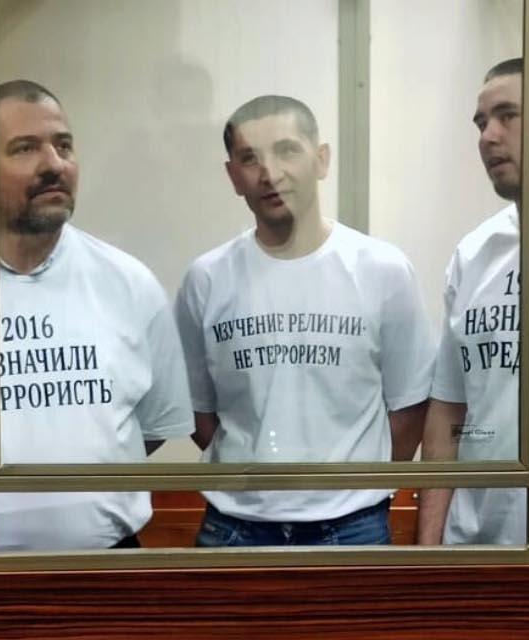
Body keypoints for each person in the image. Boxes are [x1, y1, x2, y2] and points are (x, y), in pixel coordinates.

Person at [176, 95, 433, 546]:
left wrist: (346, 492)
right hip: (235, 527)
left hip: (353, 528)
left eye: (287, 150)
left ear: (322, 159)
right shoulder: (207, 279)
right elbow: (198, 412)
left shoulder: (382, 271)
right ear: (233, 177)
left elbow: (410, 410)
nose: (270, 173)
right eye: (250, 158)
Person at [0, 80, 195, 550]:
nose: (54, 165)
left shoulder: (130, 284)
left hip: (110, 570)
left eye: (63, 145)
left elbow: (149, 431)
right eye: (25, 148)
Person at [423, 60, 529, 545]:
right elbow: (449, 413)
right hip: (478, 552)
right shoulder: (474, 254)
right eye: (481, 123)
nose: (487, 137)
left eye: (507, 116)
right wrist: (430, 551)